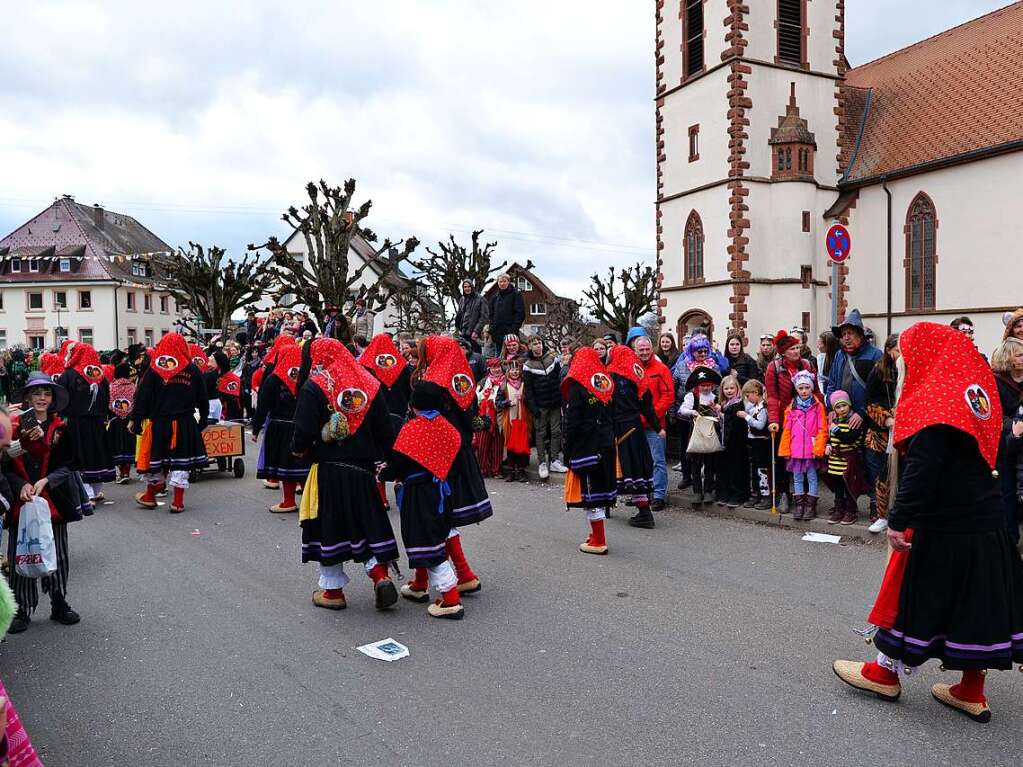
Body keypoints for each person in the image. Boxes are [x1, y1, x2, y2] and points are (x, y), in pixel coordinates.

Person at [832, 322, 1023, 724]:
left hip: (943, 522)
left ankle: (884, 673)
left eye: (907, 352)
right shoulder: (978, 391)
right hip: (985, 519)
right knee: (977, 604)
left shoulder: (938, 399)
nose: (902, 360)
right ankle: (971, 689)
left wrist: (899, 520)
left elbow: (923, 466)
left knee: (908, 596)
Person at [291, 347, 399, 612]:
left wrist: (298, 450)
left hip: (329, 469)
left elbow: (303, 432)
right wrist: (392, 464)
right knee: (366, 525)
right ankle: (380, 576)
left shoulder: (314, 387)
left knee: (330, 528)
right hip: (363, 471)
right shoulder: (370, 384)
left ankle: (333, 592)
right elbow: (386, 430)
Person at [403, 337, 490, 597]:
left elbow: (425, 419)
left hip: (438, 453)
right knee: (440, 517)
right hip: (461, 451)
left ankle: (461, 574)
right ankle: (427, 579)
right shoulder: (462, 377)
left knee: (433, 516)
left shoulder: (433, 381)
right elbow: (471, 418)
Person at [3, 373, 89, 633]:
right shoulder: (13, 427)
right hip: (22, 499)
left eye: (47, 393)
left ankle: (59, 602)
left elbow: (71, 463)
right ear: (28, 397)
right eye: (37, 393)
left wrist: (47, 481)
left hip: (54, 499)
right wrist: (22, 485)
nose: (42, 398)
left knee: (58, 553)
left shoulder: (61, 427)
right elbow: (5, 465)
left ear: (52, 399)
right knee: (20, 552)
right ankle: (22, 609)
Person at [380, 390, 467, 619]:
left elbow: (399, 463)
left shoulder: (413, 429)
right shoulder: (449, 429)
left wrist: (383, 473)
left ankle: (450, 598)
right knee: (434, 535)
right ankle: (419, 584)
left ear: (414, 405)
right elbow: (457, 466)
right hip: (442, 492)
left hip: (419, 494)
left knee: (425, 541)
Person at [130, 333, 209, 513]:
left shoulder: (153, 369)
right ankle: (177, 502)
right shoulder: (192, 369)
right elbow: (202, 398)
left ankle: (150, 496)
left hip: (160, 422)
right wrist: (203, 418)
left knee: (157, 459)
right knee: (181, 462)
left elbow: (142, 396)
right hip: (184, 422)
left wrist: (135, 419)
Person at [561, 347, 617, 554]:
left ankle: (599, 540)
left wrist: (567, 451)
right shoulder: (606, 382)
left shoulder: (577, 386)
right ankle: (595, 534)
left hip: (586, 446)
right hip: (606, 444)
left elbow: (572, 422)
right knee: (601, 488)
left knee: (591, 493)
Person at [607, 344, 659, 528]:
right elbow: (648, 405)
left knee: (627, 467)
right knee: (638, 467)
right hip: (636, 426)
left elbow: (607, 405)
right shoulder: (638, 375)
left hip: (620, 427)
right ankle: (644, 511)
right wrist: (657, 426)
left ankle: (644, 514)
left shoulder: (611, 376)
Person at [251, 344, 308, 513]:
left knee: (285, 464)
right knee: (303, 465)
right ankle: (307, 502)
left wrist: (256, 429)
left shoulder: (273, 379)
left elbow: (263, 406)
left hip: (280, 426)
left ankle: (289, 501)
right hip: (302, 425)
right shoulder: (307, 377)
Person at [765, 331, 817, 514]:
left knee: (804, 458)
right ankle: (784, 494)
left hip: (806, 419)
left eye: (797, 347)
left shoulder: (807, 365)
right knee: (782, 460)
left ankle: (803, 497)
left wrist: (821, 415)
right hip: (784, 420)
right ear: (783, 352)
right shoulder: (774, 367)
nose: (796, 351)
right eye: (792, 348)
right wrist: (773, 420)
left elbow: (816, 393)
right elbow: (772, 396)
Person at [56, 342, 116, 501]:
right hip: (97, 422)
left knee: (80, 455)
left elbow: (60, 398)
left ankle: (87, 493)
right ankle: (95, 491)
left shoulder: (69, 374)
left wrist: (60, 415)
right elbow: (108, 399)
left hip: (76, 423)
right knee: (96, 454)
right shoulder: (100, 375)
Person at [777, 370, 827, 521]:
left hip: (811, 451)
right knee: (797, 478)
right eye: (801, 388)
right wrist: (785, 449)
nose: (804, 391)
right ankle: (799, 505)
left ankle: (811, 505)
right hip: (796, 450)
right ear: (796, 389)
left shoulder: (818, 407)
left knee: (812, 478)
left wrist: (819, 448)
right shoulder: (791, 408)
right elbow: (786, 430)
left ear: (812, 388)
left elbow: (822, 429)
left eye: (807, 387)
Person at [863, 334, 900, 533]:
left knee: (901, 475)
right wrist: (886, 419)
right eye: (897, 351)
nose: (900, 355)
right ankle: (882, 515)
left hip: (904, 431)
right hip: (880, 433)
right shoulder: (878, 371)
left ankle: (900, 517)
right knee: (881, 475)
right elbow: (868, 402)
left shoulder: (910, 369)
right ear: (888, 350)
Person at [634, 335, 673, 510]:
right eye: (640, 349)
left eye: (646, 349)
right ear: (635, 350)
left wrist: (651, 416)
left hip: (655, 425)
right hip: (635, 424)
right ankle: (642, 494)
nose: (644, 352)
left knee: (657, 460)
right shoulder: (631, 369)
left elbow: (668, 395)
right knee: (639, 460)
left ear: (651, 349)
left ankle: (658, 495)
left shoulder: (661, 369)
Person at [825, 309, 882, 426]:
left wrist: (862, 412)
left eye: (850, 333)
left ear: (860, 335)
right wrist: (831, 408)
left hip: (866, 419)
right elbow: (832, 383)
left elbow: (878, 390)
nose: (846, 338)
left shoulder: (875, 355)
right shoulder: (839, 355)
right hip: (841, 416)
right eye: (844, 334)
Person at [992, 337, 1023, 543]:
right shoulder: (995, 380)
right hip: (1006, 445)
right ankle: (1010, 541)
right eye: (1020, 355)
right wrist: (1012, 425)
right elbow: (992, 413)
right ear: (1008, 357)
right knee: (1007, 493)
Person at [823, 390, 868, 525]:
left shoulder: (854, 421)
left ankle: (851, 510)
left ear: (849, 405)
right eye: (838, 407)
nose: (841, 409)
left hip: (848, 459)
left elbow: (850, 439)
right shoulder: (835, 421)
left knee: (849, 485)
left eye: (844, 405)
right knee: (838, 485)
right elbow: (831, 437)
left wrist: (836, 430)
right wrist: (828, 445)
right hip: (835, 459)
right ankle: (839, 508)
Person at [678, 367, 722, 506]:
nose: (706, 388)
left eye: (708, 385)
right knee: (695, 464)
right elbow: (682, 410)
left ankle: (708, 491)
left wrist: (717, 410)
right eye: (703, 385)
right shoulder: (691, 396)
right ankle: (697, 492)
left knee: (709, 463)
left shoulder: (715, 398)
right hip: (696, 434)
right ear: (698, 385)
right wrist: (692, 412)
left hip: (710, 433)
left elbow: (720, 415)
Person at [522, 336, 564, 480]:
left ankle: (554, 460)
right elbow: (528, 389)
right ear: (530, 347)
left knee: (556, 431)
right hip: (540, 405)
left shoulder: (553, 359)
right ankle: (542, 463)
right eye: (534, 344)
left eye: (539, 343)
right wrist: (533, 407)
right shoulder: (527, 365)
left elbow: (559, 379)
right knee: (540, 433)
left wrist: (560, 399)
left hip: (555, 403)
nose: (538, 346)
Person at [496, 359, 531, 482]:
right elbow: (498, 403)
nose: (515, 372)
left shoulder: (525, 384)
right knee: (510, 445)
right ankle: (511, 471)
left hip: (523, 419)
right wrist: (507, 402)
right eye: (512, 370)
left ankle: (521, 471)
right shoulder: (504, 385)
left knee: (522, 444)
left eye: (517, 369)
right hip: (509, 420)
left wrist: (524, 399)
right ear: (508, 371)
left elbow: (531, 400)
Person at [716, 374, 748, 508]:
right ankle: (725, 493)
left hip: (737, 442)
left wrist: (722, 415)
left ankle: (738, 494)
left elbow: (735, 422)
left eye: (731, 388)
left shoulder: (739, 403)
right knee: (724, 468)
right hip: (725, 441)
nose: (729, 391)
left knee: (736, 469)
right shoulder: (724, 404)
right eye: (726, 388)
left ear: (737, 388)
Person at [738, 379, 771, 509]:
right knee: (755, 468)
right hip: (754, 442)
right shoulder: (754, 407)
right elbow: (747, 408)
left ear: (756, 392)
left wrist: (746, 417)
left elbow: (760, 424)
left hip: (762, 442)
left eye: (748, 395)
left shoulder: (763, 408)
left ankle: (765, 495)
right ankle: (756, 493)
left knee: (762, 469)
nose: (747, 398)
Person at [473, 358, 505, 478]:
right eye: (493, 368)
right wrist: (485, 396)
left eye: (498, 367)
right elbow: (476, 397)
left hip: (499, 414)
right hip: (484, 414)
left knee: (497, 443)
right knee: (483, 443)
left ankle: (496, 469)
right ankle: (483, 469)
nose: (496, 370)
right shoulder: (483, 381)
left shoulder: (505, 381)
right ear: (489, 369)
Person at [106, 364, 136, 484]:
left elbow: (107, 402)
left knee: (116, 445)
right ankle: (127, 472)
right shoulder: (133, 387)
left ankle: (120, 472)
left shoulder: (111, 387)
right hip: (130, 420)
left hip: (114, 421)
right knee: (129, 444)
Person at [488, 274, 525, 356]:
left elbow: (520, 313)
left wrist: (513, 329)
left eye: (504, 281)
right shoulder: (495, 297)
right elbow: (491, 315)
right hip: (497, 334)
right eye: (500, 281)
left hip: (510, 333)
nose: (502, 283)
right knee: (499, 358)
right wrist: (492, 329)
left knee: (511, 357)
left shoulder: (516, 294)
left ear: (508, 282)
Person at [454, 280, 489, 351]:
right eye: (465, 287)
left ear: (472, 287)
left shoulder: (480, 299)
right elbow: (459, 315)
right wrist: (458, 328)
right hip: (463, 334)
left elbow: (484, 317)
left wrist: (476, 331)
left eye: (469, 286)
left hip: (474, 334)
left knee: (475, 357)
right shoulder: (462, 300)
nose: (467, 288)